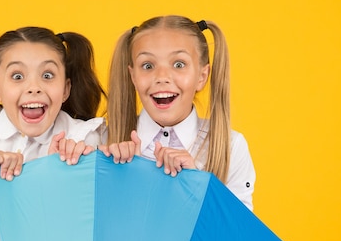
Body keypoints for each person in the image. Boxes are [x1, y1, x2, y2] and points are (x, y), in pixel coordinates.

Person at [100, 15, 255, 210]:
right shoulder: (102, 139)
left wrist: (194, 185)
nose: (162, 77)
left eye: (179, 64)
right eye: (147, 66)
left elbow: (238, 233)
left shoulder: (231, 148)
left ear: (202, 76)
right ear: (133, 76)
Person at [0, 27, 106, 190]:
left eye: (47, 75)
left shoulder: (84, 139)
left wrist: (54, 173)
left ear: (65, 89)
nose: (34, 87)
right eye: (17, 76)